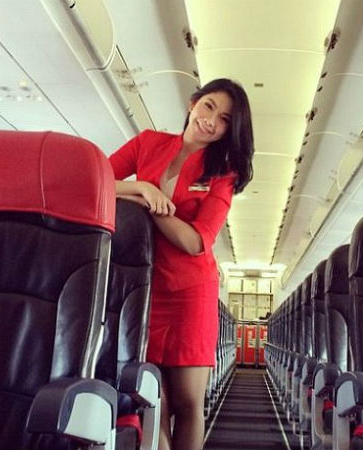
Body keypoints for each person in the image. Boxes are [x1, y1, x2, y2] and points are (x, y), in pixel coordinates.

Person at [108, 78, 254, 450]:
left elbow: (196, 241)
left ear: (229, 131)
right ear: (193, 103)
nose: (211, 121)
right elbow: (97, 178)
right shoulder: (148, 143)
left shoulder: (223, 173)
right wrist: (142, 189)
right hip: (144, 288)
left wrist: (152, 208)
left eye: (224, 119)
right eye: (208, 106)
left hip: (191, 292)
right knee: (152, 397)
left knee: (188, 403)